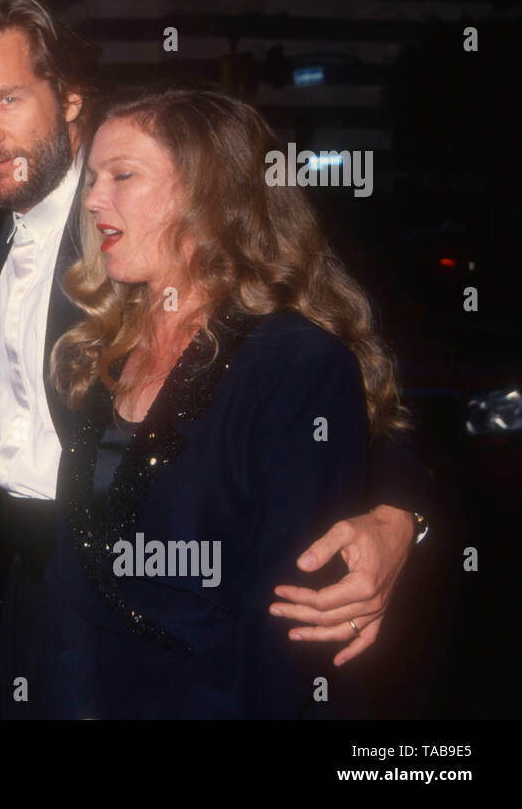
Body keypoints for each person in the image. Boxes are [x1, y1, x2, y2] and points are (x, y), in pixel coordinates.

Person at [0, 0, 433, 717]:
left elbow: (345, 380)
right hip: (28, 605)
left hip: (176, 629)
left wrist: (399, 514)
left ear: (68, 97)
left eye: (7, 99)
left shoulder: (152, 218)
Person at [42, 85, 402, 717]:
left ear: (211, 194)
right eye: (94, 177)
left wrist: (405, 517)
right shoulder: (103, 344)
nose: (94, 198)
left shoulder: (294, 364)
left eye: (122, 175)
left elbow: (287, 630)